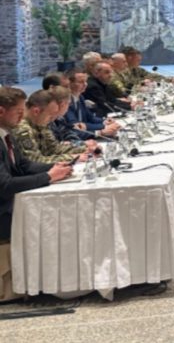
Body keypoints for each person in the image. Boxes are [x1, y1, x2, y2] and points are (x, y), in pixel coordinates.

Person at [0, 87, 71, 301]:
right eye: (18, 111)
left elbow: (24, 165)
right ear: (1, 111)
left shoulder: (7, 134)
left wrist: (56, 167)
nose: (22, 116)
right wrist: (48, 177)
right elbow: (5, 185)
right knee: (55, 214)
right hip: (3, 210)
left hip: (10, 201)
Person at [13, 90, 91, 165]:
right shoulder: (23, 129)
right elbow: (35, 161)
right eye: (50, 115)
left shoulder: (39, 122)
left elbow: (54, 148)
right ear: (36, 111)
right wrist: (71, 157)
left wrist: (84, 149)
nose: (52, 119)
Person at [65, 69, 120, 138]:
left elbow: (90, 117)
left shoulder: (80, 97)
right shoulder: (66, 101)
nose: (85, 84)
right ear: (69, 84)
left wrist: (104, 121)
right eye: (81, 82)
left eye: (85, 81)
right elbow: (76, 125)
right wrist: (103, 127)